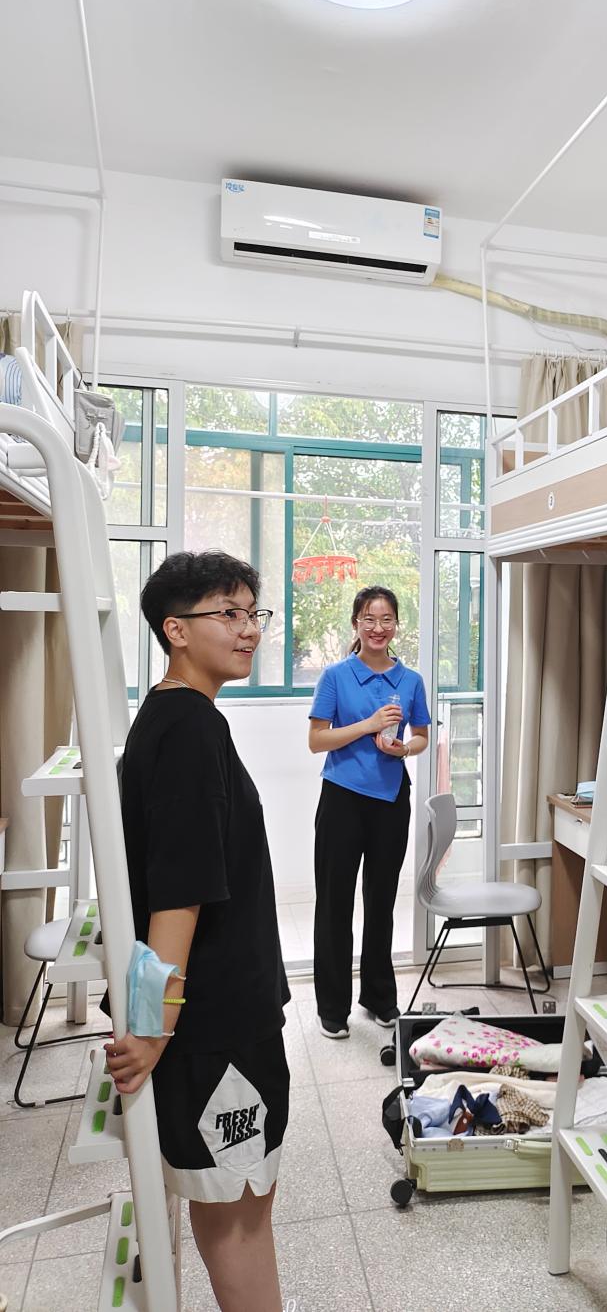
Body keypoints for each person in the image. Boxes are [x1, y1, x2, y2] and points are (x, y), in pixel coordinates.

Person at [104, 551, 290, 1312]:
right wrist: (154, 1024)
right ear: (174, 629)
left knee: (232, 1206)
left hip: (215, 1018)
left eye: (253, 613)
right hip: (218, 1027)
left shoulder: (171, 714)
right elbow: (179, 894)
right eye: (228, 613)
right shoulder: (188, 728)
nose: (249, 629)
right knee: (238, 1212)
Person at [308, 584, 430, 1039]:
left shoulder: (411, 680)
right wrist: (368, 725)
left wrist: (404, 749)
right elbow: (317, 740)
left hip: (391, 800)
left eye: (386, 619)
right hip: (341, 798)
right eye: (369, 619)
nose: (378, 628)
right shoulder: (336, 676)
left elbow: (421, 736)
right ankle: (332, 1007)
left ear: (396, 624)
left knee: (381, 903)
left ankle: (379, 997)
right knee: (334, 903)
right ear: (356, 624)